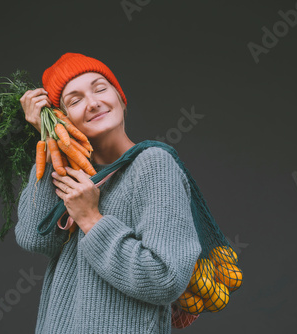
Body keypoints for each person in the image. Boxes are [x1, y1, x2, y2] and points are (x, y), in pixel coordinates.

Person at [15, 53, 202, 333]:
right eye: (75, 100)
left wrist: (91, 219)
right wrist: (49, 139)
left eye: (100, 88)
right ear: (63, 118)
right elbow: (35, 239)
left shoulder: (153, 165)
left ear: (121, 99)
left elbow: (165, 279)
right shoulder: (72, 174)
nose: (93, 103)